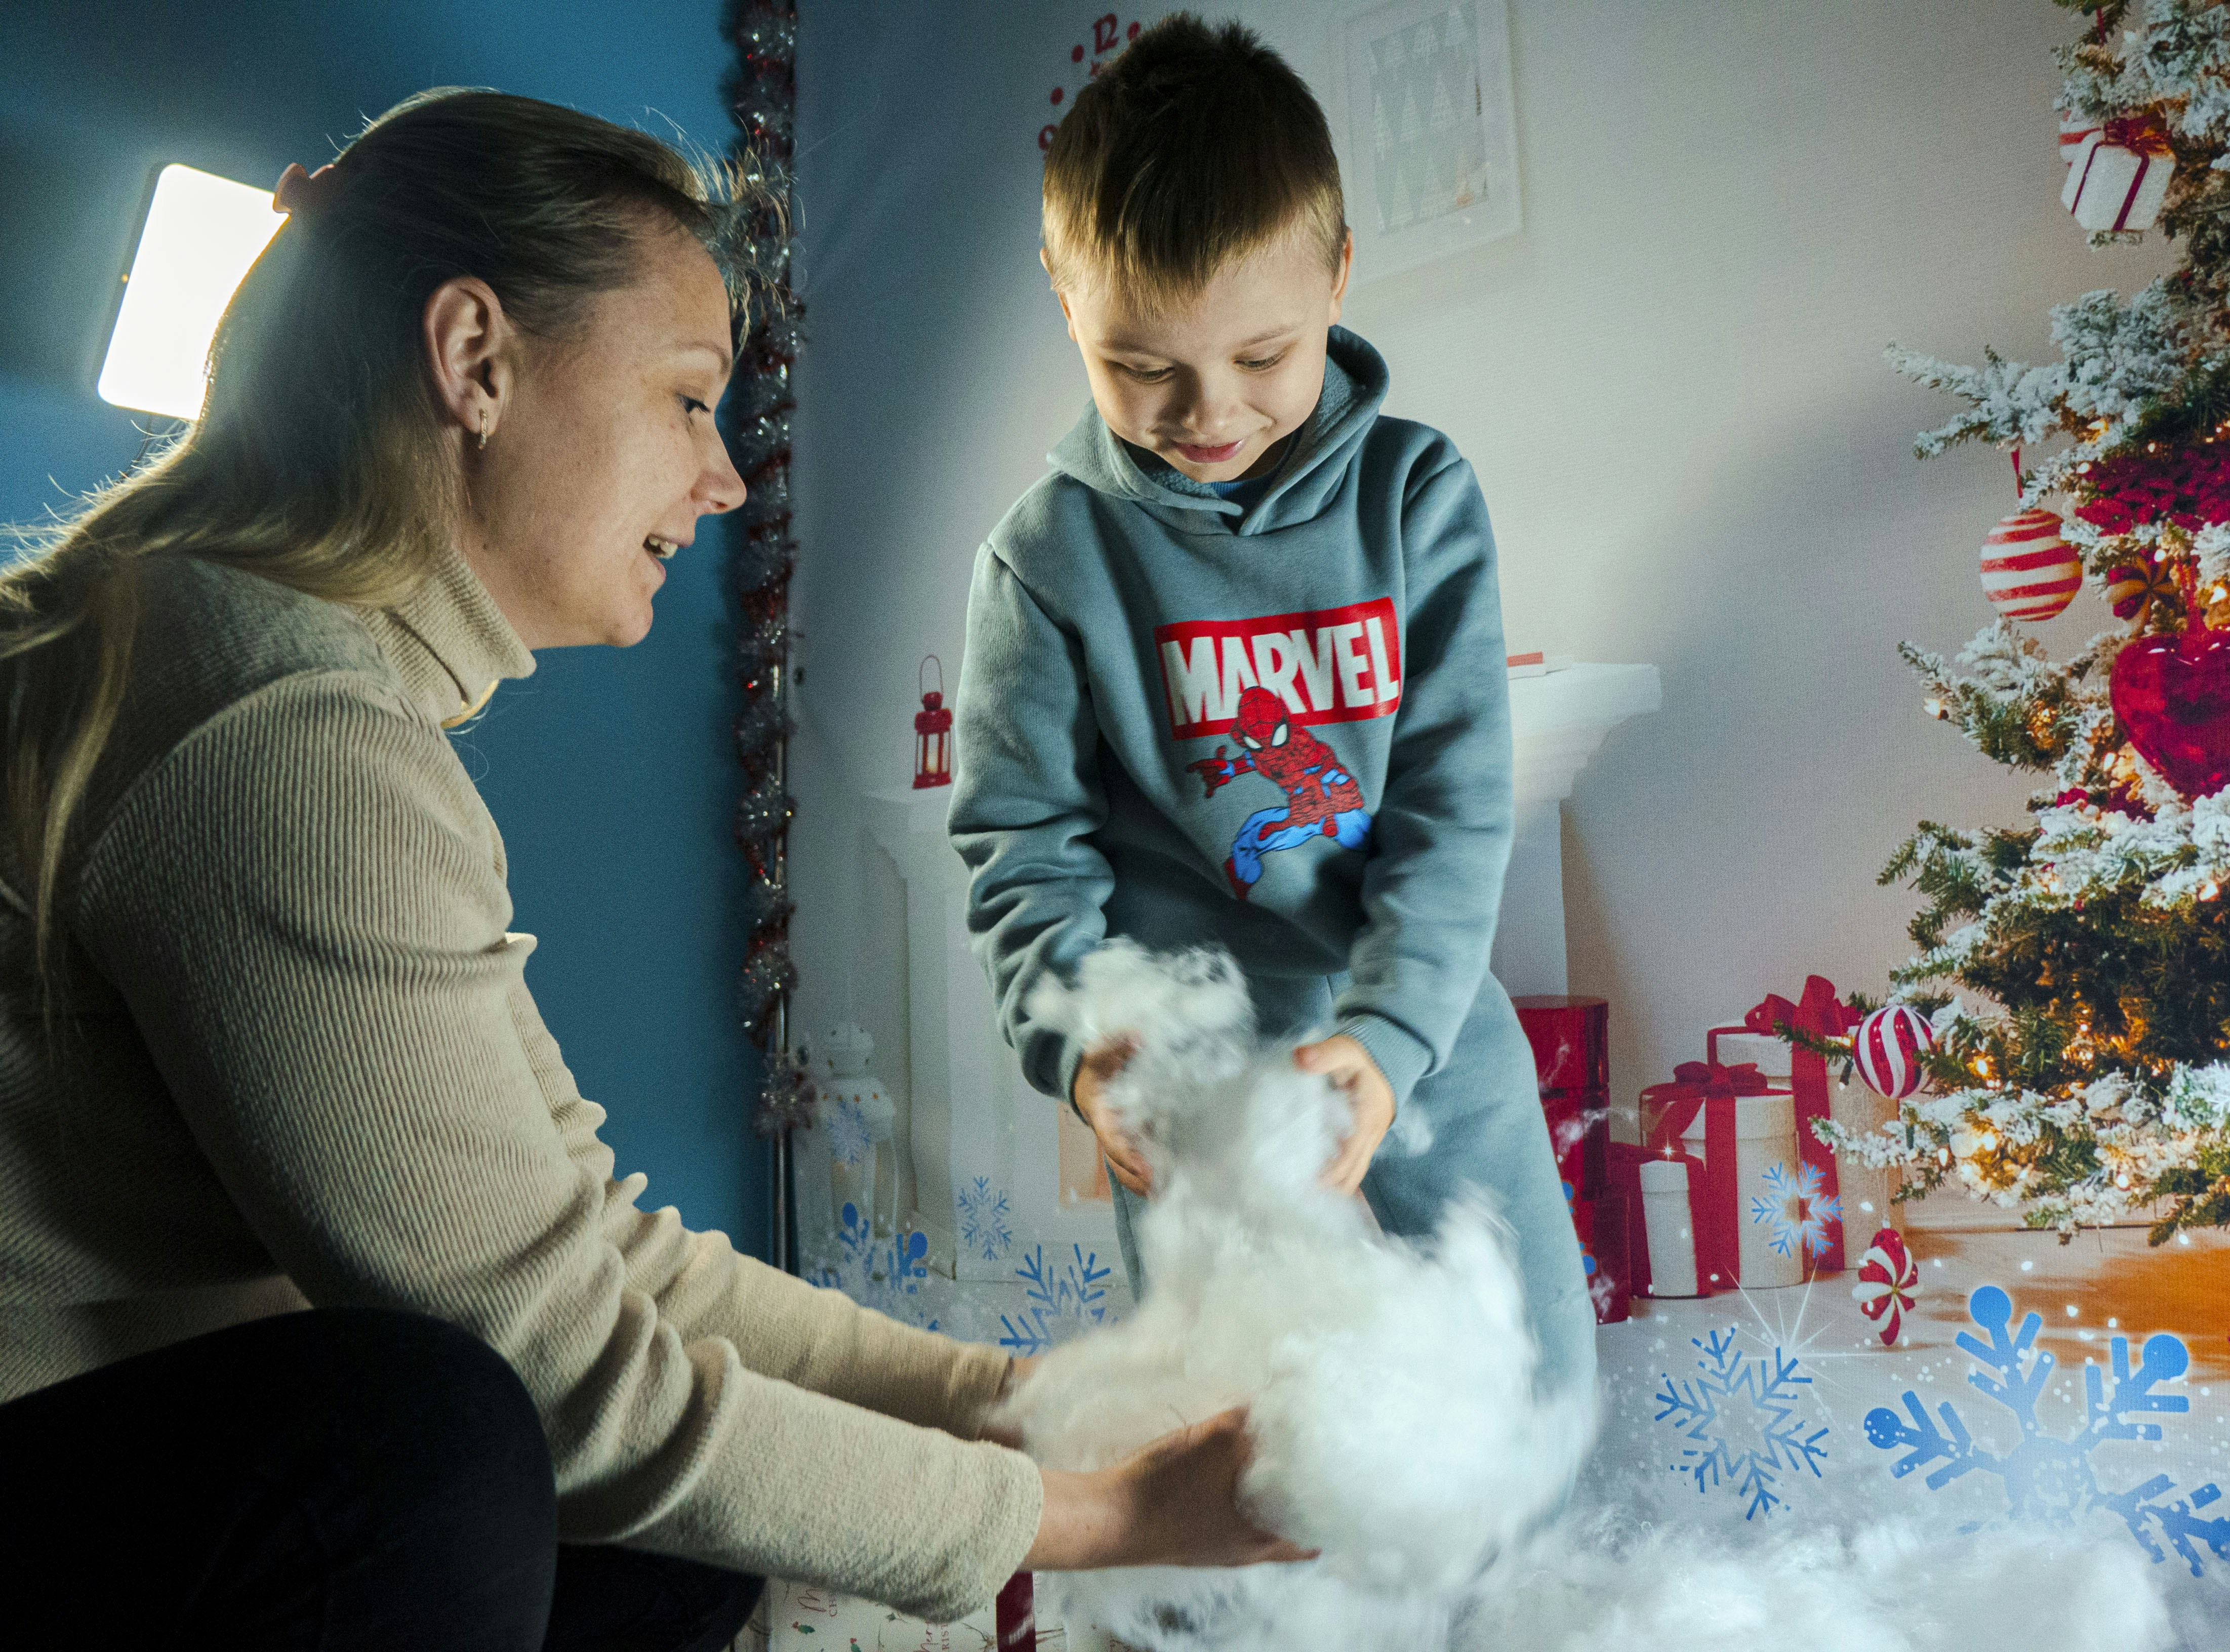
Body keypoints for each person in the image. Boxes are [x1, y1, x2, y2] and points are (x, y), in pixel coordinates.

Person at [0, 88, 1298, 1652]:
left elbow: (594, 1255)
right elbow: (552, 1366)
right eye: (688, 401)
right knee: (443, 1440)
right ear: (475, 361)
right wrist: (1096, 1519)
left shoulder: (240, 656)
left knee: (669, 1491)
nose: (726, 478)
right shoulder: (279, 732)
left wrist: (1021, 1406)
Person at [948, 16, 1596, 1402]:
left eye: (1261, 355)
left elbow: (1455, 801)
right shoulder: (1047, 560)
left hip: (1417, 1016)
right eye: (1142, 368)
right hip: (1193, 1077)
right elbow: (1021, 841)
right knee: (1247, 1420)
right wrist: (1087, 1046)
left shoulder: (1417, 501)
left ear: (1341, 276)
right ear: (1065, 299)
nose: (1209, 411)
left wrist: (1390, 1035)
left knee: (1529, 1371)